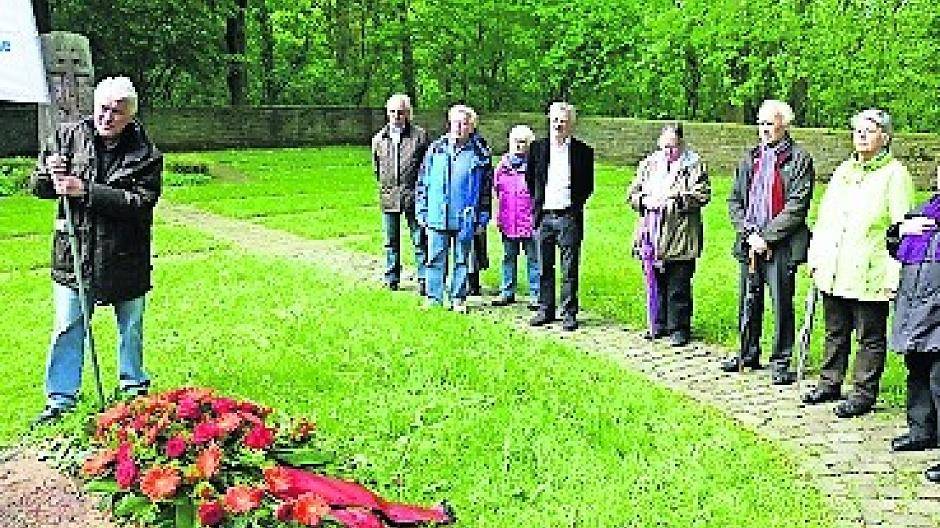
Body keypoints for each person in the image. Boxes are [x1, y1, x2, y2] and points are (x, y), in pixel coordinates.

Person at [30, 76, 163, 423]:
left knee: (130, 327)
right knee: (67, 326)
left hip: (125, 255)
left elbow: (139, 203)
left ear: (130, 117)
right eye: (103, 108)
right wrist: (50, 174)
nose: (107, 117)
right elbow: (39, 186)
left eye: (117, 112)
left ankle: (133, 390)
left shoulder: (145, 154)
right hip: (74, 253)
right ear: (94, 106)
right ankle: (60, 399)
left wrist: (85, 190)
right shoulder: (65, 138)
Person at [803, 108, 914, 417]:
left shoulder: (895, 175)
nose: (862, 135)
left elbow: (901, 230)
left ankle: (863, 393)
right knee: (835, 330)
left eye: (870, 130)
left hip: (871, 270)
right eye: (858, 130)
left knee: (869, 336)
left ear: (886, 137)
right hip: (836, 268)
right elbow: (826, 219)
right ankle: (829, 382)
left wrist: (895, 274)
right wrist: (816, 256)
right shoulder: (844, 171)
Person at [723, 99, 815, 385]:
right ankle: (747, 352)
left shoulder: (799, 159)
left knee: (781, 304)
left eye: (769, 123)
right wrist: (749, 234)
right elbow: (734, 200)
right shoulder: (750, 157)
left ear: (784, 124)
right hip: (749, 242)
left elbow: (797, 206)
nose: (763, 129)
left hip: (781, 245)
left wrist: (767, 236)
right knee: (748, 300)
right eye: (760, 123)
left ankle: (781, 360)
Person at [627, 123, 711, 347]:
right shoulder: (649, 164)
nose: (668, 152)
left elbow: (702, 194)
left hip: (680, 232)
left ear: (681, 144)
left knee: (678, 282)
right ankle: (659, 322)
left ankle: (679, 328)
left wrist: (675, 199)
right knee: (656, 280)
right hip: (651, 232)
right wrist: (644, 201)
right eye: (665, 147)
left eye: (673, 147)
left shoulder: (693, 165)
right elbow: (633, 193)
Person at [416, 104, 492, 313]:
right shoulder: (435, 148)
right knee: (435, 258)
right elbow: (423, 181)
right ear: (449, 123)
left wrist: (482, 217)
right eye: (456, 122)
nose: (459, 126)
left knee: (462, 260)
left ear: (472, 127)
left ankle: (458, 298)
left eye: (465, 123)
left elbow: (486, 190)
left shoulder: (480, 154)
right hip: (436, 214)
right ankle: (434, 298)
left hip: (465, 217)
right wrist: (421, 209)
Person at [527, 102, 595, 332]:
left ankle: (569, 313)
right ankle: (545, 309)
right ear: (549, 121)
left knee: (569, 268)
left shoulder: (583, 152)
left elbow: (587, 186)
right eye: (555, 120)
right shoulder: (537, 149)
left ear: (571, 125)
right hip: (544, 216)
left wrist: (574, 208)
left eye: (563, 121)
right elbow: (530, 180)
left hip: (568, 217)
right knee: (544, 266)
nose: (558, 125)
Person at [887, 166, 940, 460]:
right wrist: (898, 232)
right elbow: (895, 246)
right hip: (914, 303)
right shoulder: (924, 210)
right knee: (917, 368)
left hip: (937, 305)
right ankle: (921, 432)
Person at [371, 93, 430, 294]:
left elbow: (427, 167)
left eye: (401, 112)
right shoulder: (378, 139)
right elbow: (377, 169)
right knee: (390, 241)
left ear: (408, 113)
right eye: (393, 112)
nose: (397, 115)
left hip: (413, 196)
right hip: (388, 197)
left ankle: (424, 279)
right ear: (387, 113)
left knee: (419, 239)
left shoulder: (420, 136)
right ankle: (391, 277)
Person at [491, 125, 540, 309]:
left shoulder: (536, 166)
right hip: (508, 220)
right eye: (516, 142)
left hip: (530, 221)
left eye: (523, 142)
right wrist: (496, 216)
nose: (519, 146)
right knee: (508, 257)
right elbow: (495, 191)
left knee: (534, 259)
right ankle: (506, 291)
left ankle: (536, 295)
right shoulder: (502, 166)